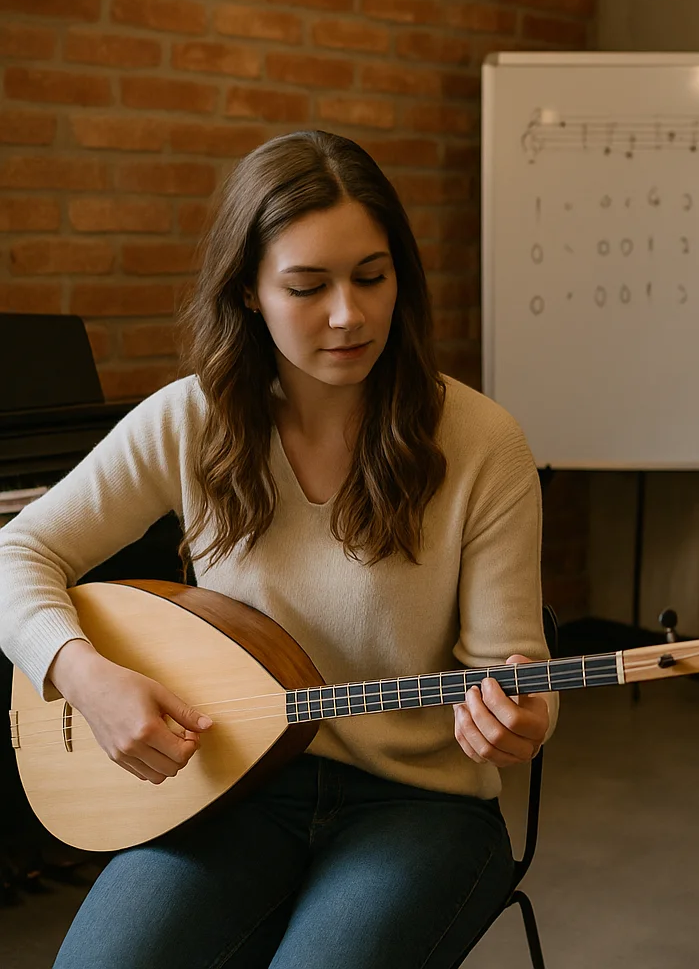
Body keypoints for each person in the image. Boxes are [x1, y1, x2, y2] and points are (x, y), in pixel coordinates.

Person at [0, 130, 553, 969]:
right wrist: (84, 673)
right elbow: (17, 552)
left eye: (372, 277)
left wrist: (519, 721)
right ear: (251, 293)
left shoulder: (481, 441)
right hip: (229, 792)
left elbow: (512, 672)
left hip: (420, 808)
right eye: (307, 286)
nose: (349, 314)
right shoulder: (193, 420)